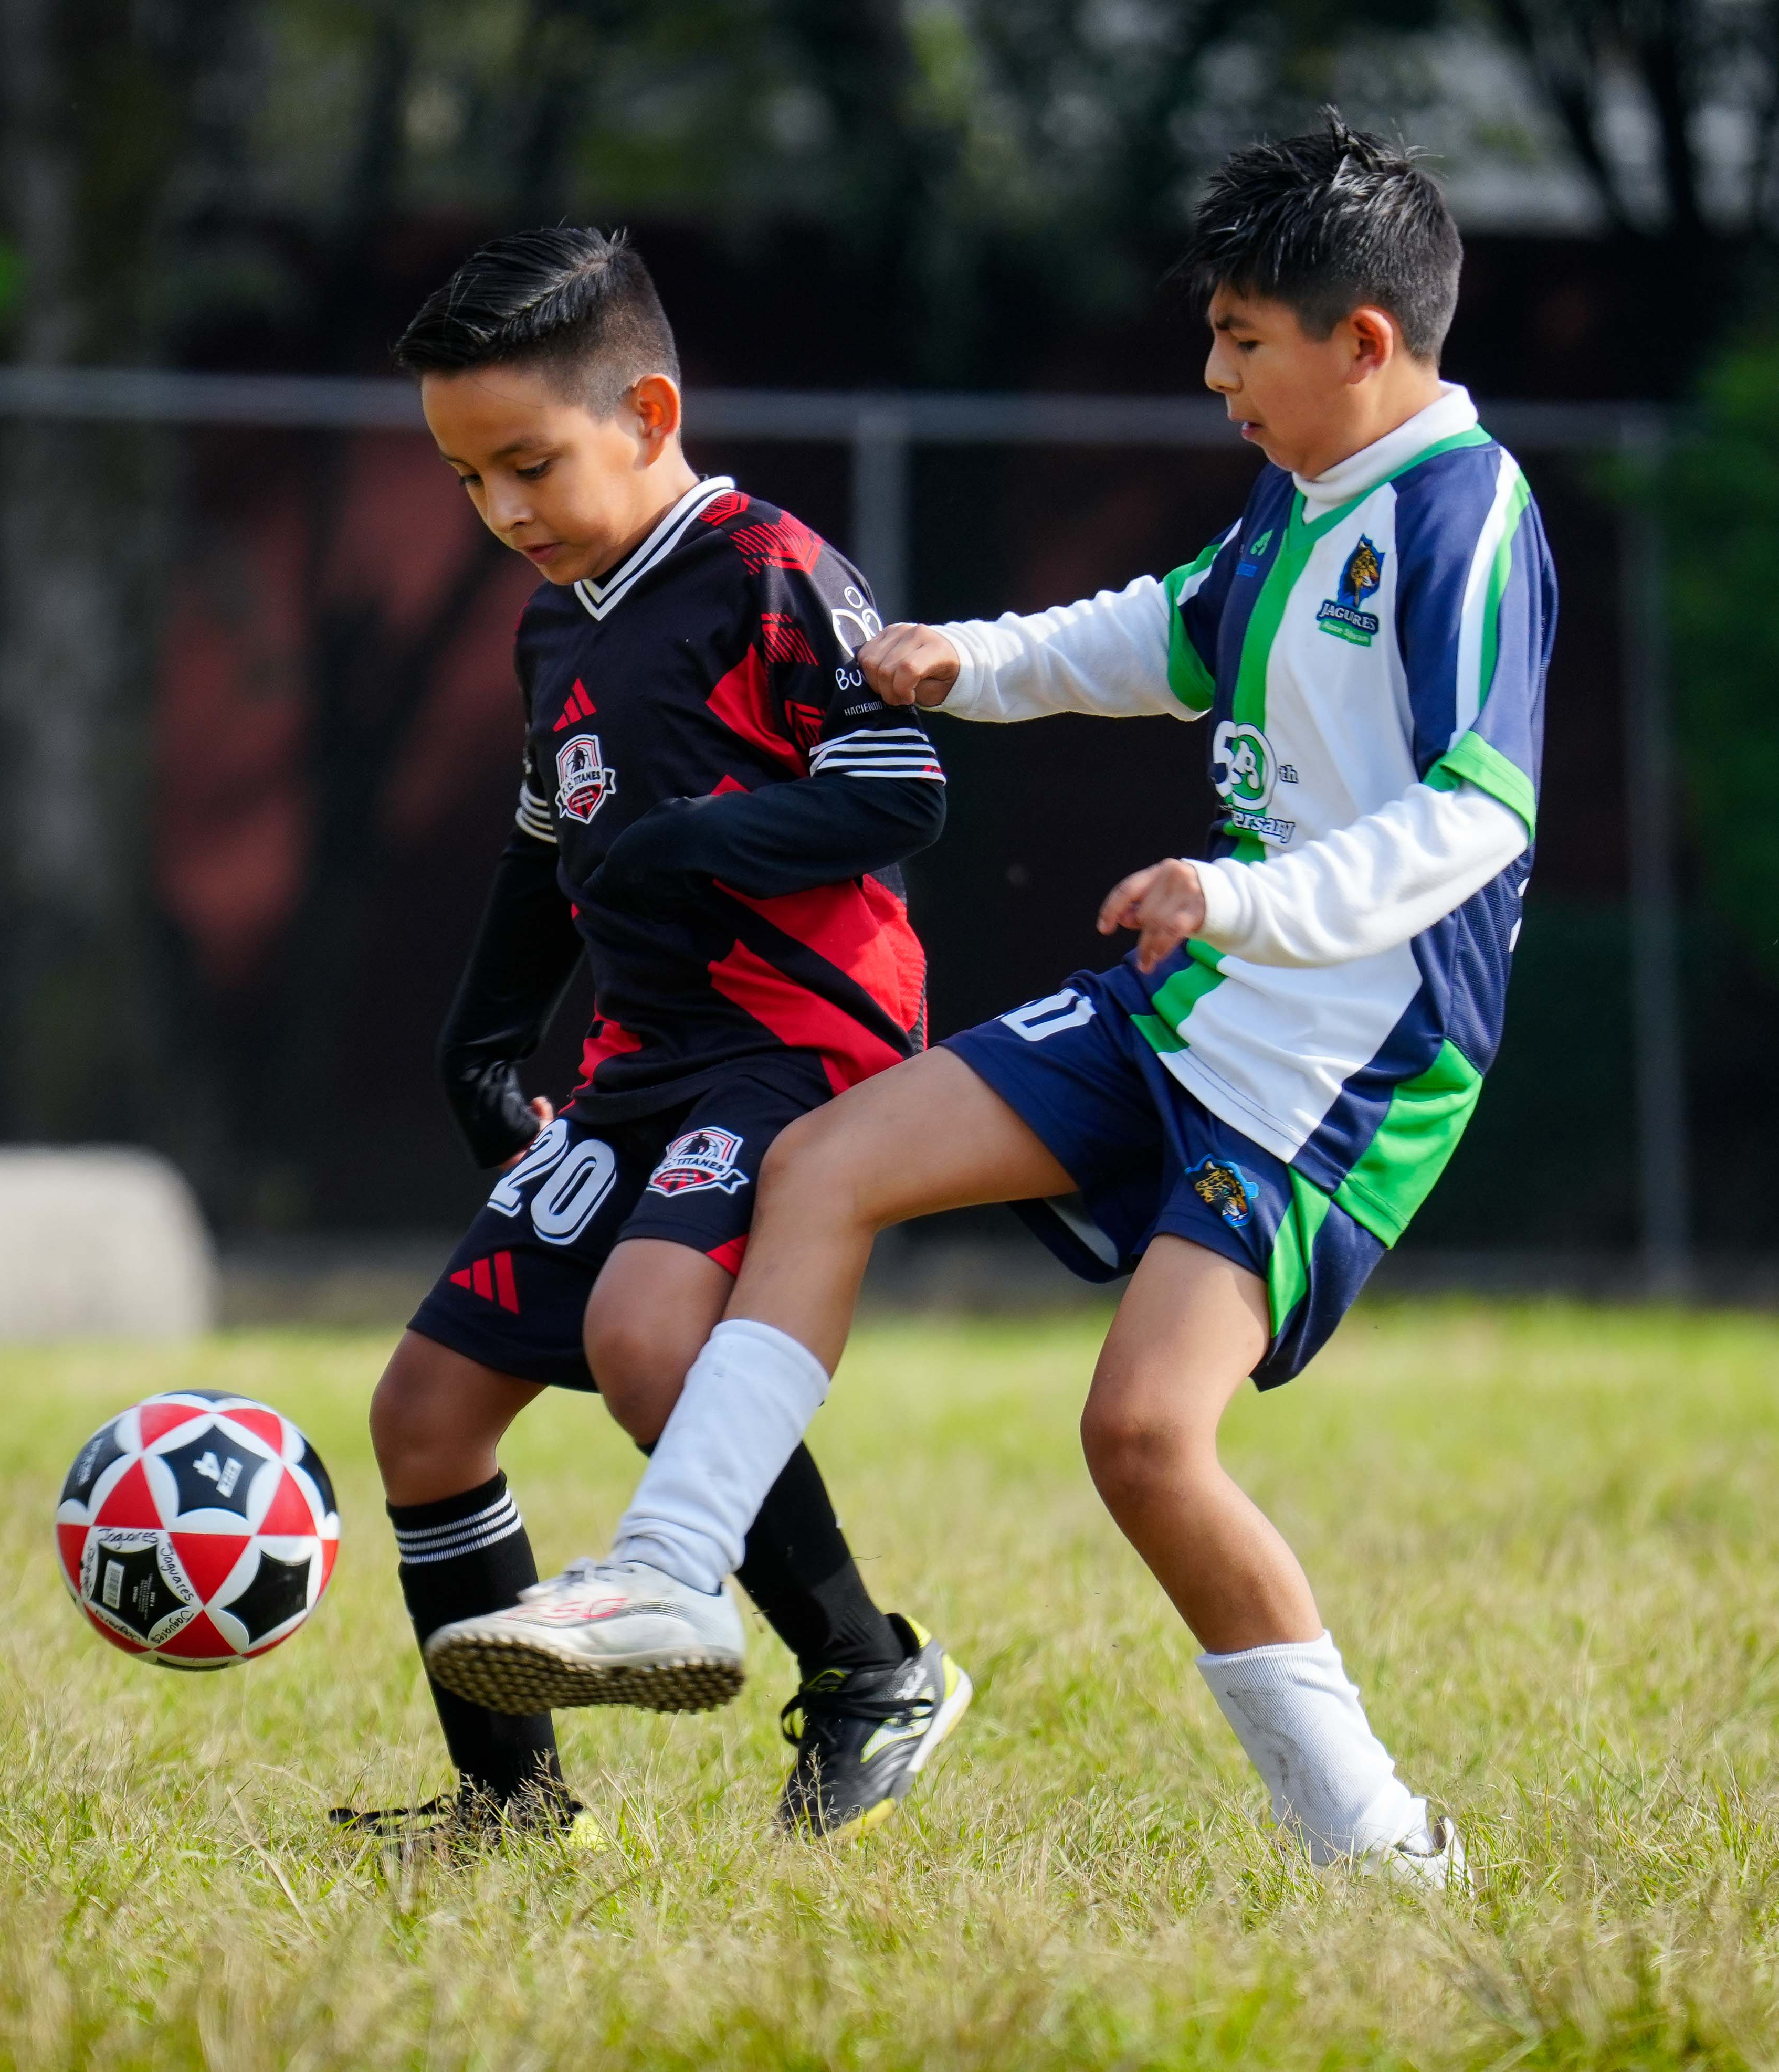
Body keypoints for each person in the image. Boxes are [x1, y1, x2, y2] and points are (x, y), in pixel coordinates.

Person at [427, 122, 1555, 1888]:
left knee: (1138, 1437)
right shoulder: (1304, 496)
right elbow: (1167, 631)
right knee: (829, 1161)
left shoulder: (1459, 513)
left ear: (1362, 345)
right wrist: (977, 660)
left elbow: (1477, 815)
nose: (1212, 373)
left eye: (1243, 339)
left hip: (1345, 1061)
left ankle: (1380, 1848)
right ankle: (665, 1573)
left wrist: (1241, 895)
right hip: (1191, 998)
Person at [331, 227, 974, 1853]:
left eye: (527, 465)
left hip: (796, 1043)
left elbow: (901, 791)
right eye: (470, 481)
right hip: (640, 1061)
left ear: (646, 409)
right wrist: (481, 1035)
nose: (503, 513)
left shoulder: (764, 568)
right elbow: (553, 845)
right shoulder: (555, 625)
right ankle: (510, 1806)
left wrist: (694, 839)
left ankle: (865, 1671)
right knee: (422, 1415)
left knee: (644, 1338)